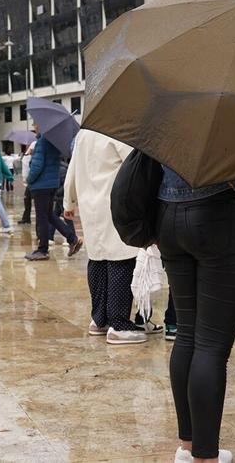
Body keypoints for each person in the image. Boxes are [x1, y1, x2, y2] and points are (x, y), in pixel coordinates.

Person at [158, 165, 235, 463]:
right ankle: (205, 456)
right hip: (220, 218)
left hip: (168, 216)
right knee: (211, 346)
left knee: (187, 335)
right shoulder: (234, 116)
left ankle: (187, 445)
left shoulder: (166, 115)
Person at [63, 130, 146, 344]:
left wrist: (68, 201)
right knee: (121, 258)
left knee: (98, 259)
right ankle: (119, 325)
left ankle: (99, 320)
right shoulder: (118, 130)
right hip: (115, 203)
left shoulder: (83, 133)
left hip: (89, 205)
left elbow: (73, 168)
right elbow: (134, 163)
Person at [24, 132, 81, 261]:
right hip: (52, 183)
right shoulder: (54, 141)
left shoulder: (42, 141)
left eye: (36, 124)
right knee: (49, 215)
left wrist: (29, 179)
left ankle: (42, 250)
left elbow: (37, 166)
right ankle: (72, 239)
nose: (34, 127)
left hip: (41, 185)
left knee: (42, 217)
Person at [19, 139, 35, 225]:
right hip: (30, 182)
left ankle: (26, 218)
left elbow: (33, 168)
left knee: (31, 200)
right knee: (27, 200)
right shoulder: (27, 155)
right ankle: (26, 218)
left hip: (32, 182)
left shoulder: (33, 157)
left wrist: (29, 180)